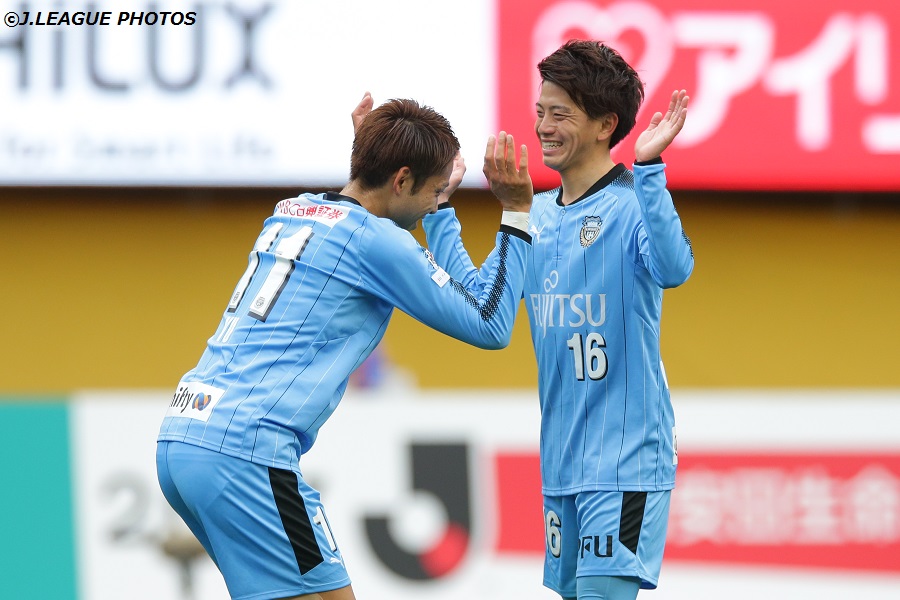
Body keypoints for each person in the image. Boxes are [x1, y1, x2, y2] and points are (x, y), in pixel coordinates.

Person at [156, 97, 533, 600]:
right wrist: (516, 211)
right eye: (433, 191)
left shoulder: (291, 211)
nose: (432, 204)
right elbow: (488, 321)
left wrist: (412, 182)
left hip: (185, 434)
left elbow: (362, 213)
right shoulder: (375, 242)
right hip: (247, 450)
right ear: (401, 179)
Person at [421, 41, 694, 599]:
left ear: (605, 125)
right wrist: (441, 212)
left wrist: (650, 168)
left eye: (560, 114)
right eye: (540, 111)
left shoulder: (633, 203)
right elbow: (480, 300)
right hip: (562, 466)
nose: (543, 127)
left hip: (625, 464)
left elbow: (673, 268)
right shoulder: (536, 212)